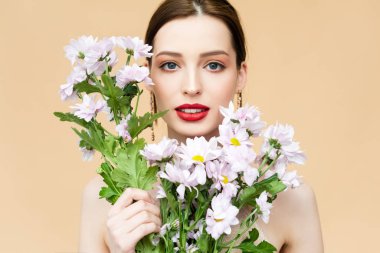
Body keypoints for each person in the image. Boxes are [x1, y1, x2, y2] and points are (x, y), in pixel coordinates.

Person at [79, 0, 324, 252]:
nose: (192, 86)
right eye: (170, 65)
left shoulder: (290, 200)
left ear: (240, 75)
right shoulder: (107, 200)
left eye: (213, 65)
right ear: (148, 76)